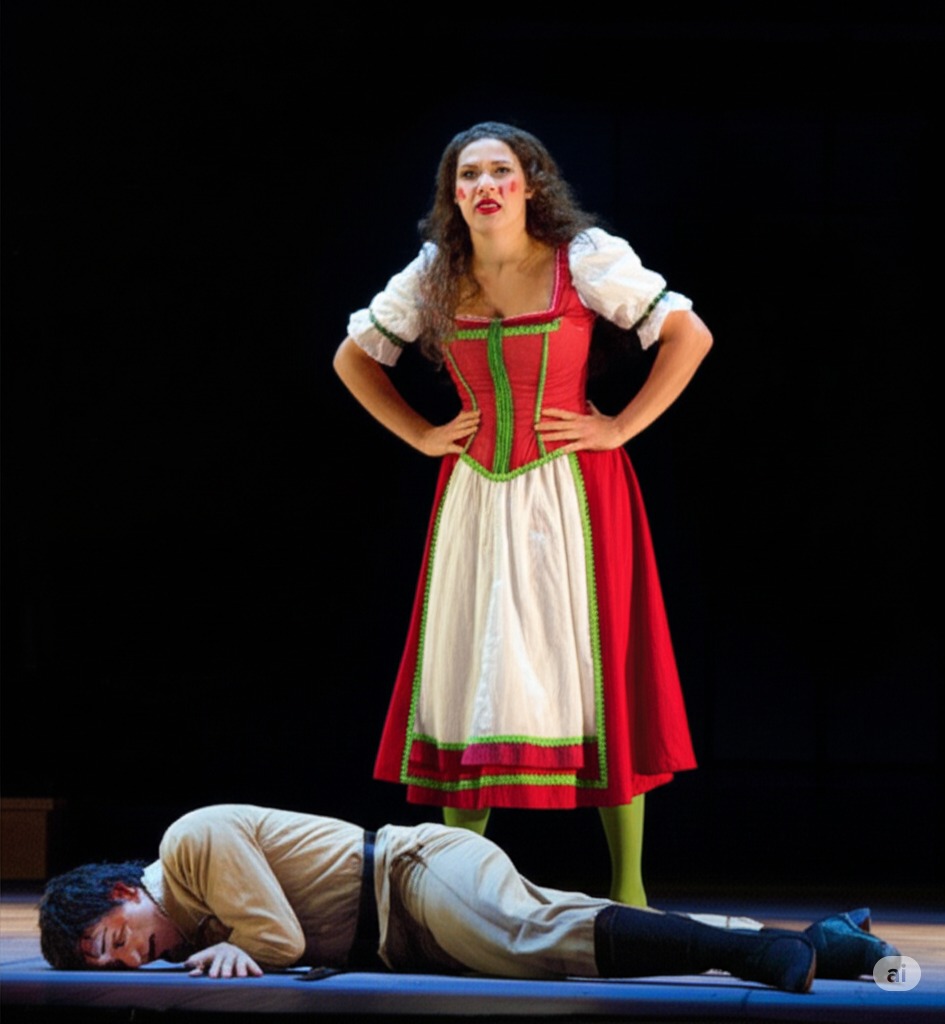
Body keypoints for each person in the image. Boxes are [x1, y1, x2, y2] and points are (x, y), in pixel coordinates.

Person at [333, 121, 713, 907]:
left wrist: (619, 427)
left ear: (531, 183)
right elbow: (353, 356)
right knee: (472, 670)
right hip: (475, 496)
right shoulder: (436, 273)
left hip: (576, 492)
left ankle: (630, 892)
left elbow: (689, 335)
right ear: (453, 195)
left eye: (500, 171)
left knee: (595, 670)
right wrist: (422, 435)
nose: (485, 186)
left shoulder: (583, 258)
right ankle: (459, 894)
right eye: (469, 175)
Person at [38, 804, 899, 995]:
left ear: (122, 892)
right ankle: (822, 941)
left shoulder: (189, 843)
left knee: (532, 936)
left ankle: (754, 954)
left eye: (115, 939)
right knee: (555, 924)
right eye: (110, 965)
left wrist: (243, 946)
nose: (130, 958)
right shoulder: (190, 931)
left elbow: (279, 937)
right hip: (401, 935)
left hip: (412, 874)